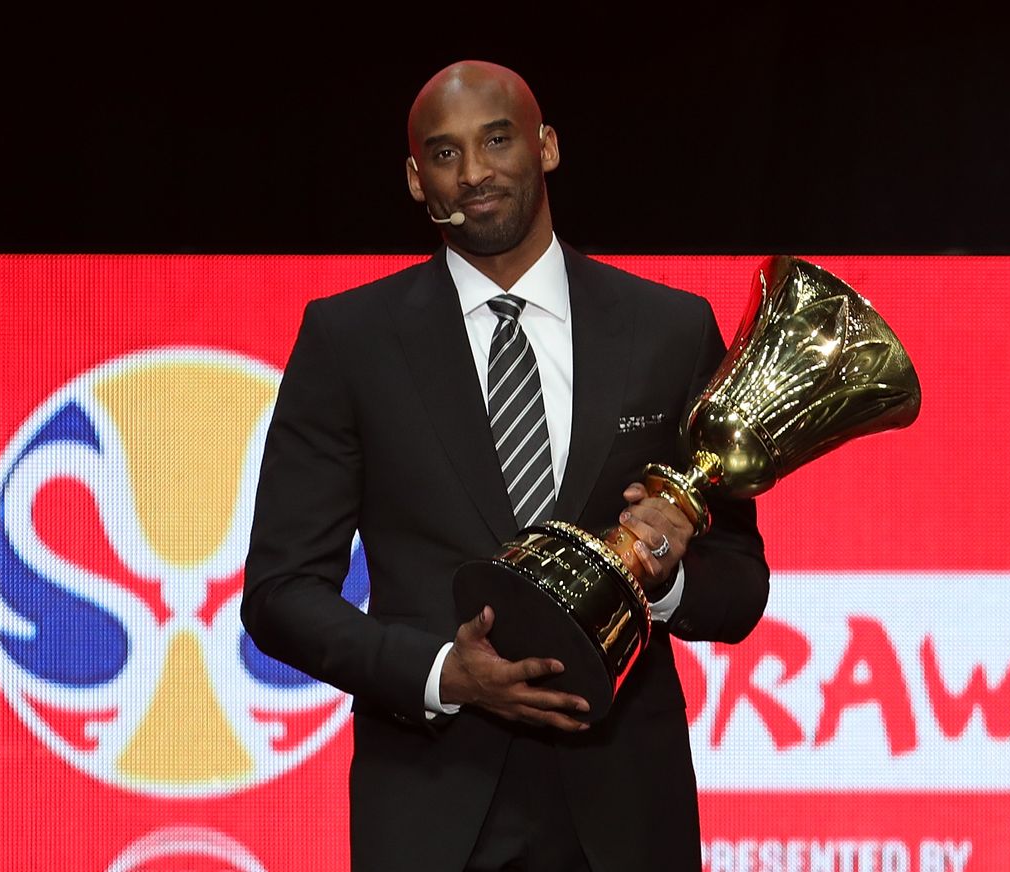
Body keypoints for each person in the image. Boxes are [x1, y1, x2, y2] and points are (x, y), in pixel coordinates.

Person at [243, 61, 769, 872]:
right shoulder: (349, 341)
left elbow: (739, 586)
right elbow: (280, 593)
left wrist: (661, 579)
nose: (474, 172)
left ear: (546, 146)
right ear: (415, 180)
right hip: (430, 805)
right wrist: (441, 674)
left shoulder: (667, 328)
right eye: (444, 153)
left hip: (627, 809)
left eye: (497, 140)